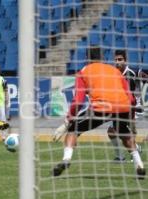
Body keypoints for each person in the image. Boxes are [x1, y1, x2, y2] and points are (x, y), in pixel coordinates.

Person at [52, 47, 145, 179]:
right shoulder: (115, 71)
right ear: (103, 58)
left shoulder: (83, 72)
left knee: (73, 129)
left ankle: (66, 159)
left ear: (87, 59)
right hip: (123, 107)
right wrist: (131, 114)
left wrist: (68, 119)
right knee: (123, 132)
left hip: (101, 107)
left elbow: (78, 101)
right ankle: (139, 164)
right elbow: (130, 98)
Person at [107, 50, 143, 162]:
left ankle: (134, 153)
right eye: (116, 60)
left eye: (120, 59)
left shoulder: (130, 74)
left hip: (131, 109)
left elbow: (129, 97)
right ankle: (122, 156)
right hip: (119, 109)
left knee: (121, 133)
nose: (118, 62)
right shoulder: (113, 74)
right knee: (112, 132)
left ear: (125, 60)